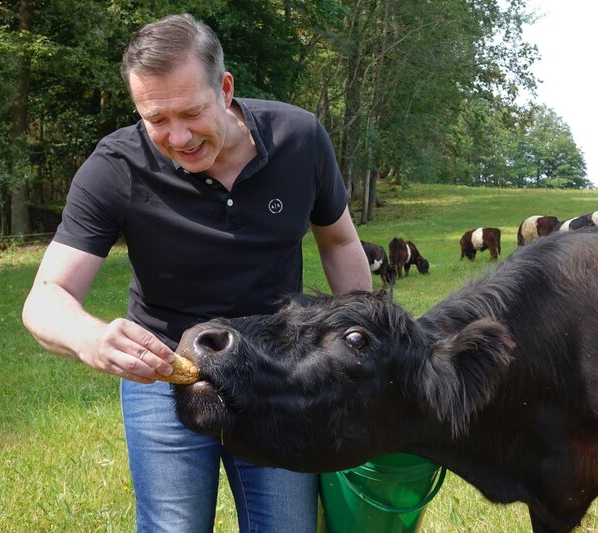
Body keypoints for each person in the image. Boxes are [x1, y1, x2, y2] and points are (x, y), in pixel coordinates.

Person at [22, 13, 372, 533]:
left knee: (287, 527)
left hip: (278, 371)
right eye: (156, 119)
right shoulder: (115, 166)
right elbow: (46, 298)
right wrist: (89, 337)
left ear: (225, 88)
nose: (178, 137)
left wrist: (364, 349)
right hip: (164, 373)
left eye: (191, 112)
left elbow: (341, 242)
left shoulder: (300, 138)